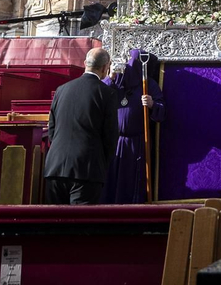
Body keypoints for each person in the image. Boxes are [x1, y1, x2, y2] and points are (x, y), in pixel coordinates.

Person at [44, 47, 119, 205]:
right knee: (79, 224)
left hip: (55, 167)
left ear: (85, 63)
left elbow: (52, 129)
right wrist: (102, 164)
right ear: (106, 67)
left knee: (53, 223)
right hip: (87, 170)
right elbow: (110, 136)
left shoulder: (61, 90)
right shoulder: (107, 94)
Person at [103, 49, 163, 204]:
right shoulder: (118, 79)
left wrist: (152, 104)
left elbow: (162, 109)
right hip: (115, 141)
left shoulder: (149, 84)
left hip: (137, 143)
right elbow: (101, 92)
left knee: (130, 180)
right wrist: (111, 78)